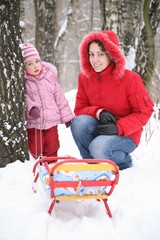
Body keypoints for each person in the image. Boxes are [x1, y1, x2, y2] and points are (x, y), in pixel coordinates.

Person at [71, 30, 154, 170]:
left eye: (100, 54)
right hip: (101, 127)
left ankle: (123, 161)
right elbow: (80, 109)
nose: (94, 60)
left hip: (127, 133)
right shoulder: (84, 78)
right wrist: (98, 112)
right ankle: (92, 164)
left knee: (98, 147)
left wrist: (119, 127)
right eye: (91, 54)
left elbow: (144, 112)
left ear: (111, 54)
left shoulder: (130, 79)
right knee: (79, 123)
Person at [21, 43, 74, 158]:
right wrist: (31, 108)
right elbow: (24, 99)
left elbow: (60, 99)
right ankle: (36, 165)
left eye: (37, 61)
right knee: (35, 147)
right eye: (30, 64)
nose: (35, 66)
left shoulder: (49, 78)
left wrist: (67, 117)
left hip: (51, 121)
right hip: (34, 122)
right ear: (24, 67)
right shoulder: (24, 82)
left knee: (53, 145)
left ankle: (51, 164)